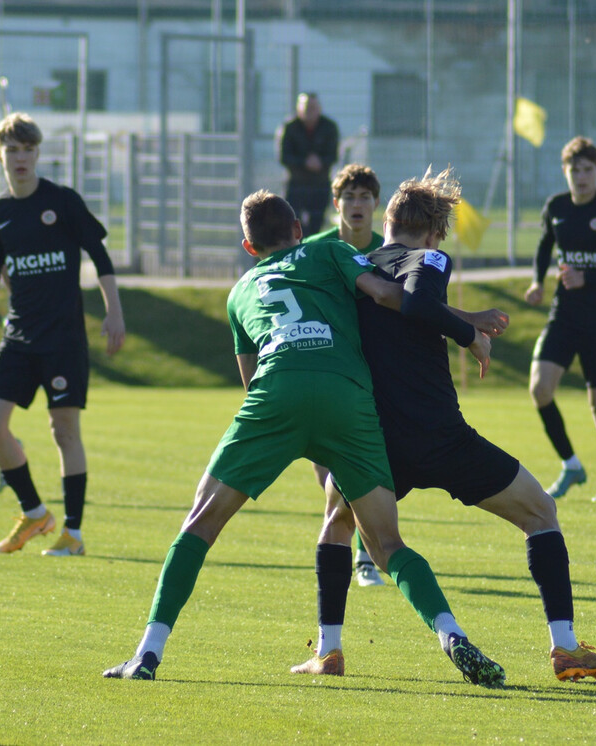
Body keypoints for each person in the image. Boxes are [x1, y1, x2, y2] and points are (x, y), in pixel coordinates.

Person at [102, 190, 505, 688]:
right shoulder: (328, 250)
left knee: (199, 524)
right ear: (298, 229)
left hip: (277, 393)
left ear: (249, 249)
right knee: (386, 543)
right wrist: (467, 324)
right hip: (347, 398)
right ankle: (450, 633)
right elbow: (388, 296)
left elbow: (250, 381)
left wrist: (289, 436)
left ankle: (147, 653)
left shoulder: (238, 294)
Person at [291, 167, 596, 683]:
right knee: (541, 511)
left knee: (336, 525)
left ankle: (329, 651)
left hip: (374, 442)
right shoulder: (430, 257)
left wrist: (464, 318)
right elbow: (421, 301)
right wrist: (469, 335)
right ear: (432, 233)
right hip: (440, 437)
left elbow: (403, 308)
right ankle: (564, 647)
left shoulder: (356, 269)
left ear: (386, 219)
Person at [0, 112, 126, 557]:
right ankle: (35, 513)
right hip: (17, 337)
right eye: (12, 150)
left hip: (63, 339)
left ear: (37, 153)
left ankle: (72, 534)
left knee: (64, 431)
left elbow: (100, 255)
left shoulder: (63, 201)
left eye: (28, 150)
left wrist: (114, 313)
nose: (21, 158)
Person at [524, 136, 596, 503]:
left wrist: (586, 277)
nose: (581, 176)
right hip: (564, 315)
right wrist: (537, 281)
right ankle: (571, 465)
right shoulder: (557, 207)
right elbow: (545, 244)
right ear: (565, 172)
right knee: (540, 389)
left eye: (587, 170)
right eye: (574, 170)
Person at [303, 163, 386, 586]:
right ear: (336, 203)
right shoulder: (315, 249)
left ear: (376, 204)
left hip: (372, 372)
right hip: (324, 371)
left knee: (359, 464)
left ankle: (362, 554)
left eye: (364, 197)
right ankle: (351, 546)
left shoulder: (387, 251)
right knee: (327, 468)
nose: (356, 204)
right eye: (349, 196)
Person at [278, 92, 339, 236]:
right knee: (293, 223)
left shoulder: (329, 127)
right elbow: (284, 156)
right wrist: (304, 162)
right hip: (296, 185)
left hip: (320, 184)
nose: (309, 111)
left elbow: (333, 155)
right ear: (298, 108)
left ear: (319, 108)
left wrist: (320, 162)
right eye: (306, 107)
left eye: (313, 107)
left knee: (316, 225)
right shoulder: (289, 127)